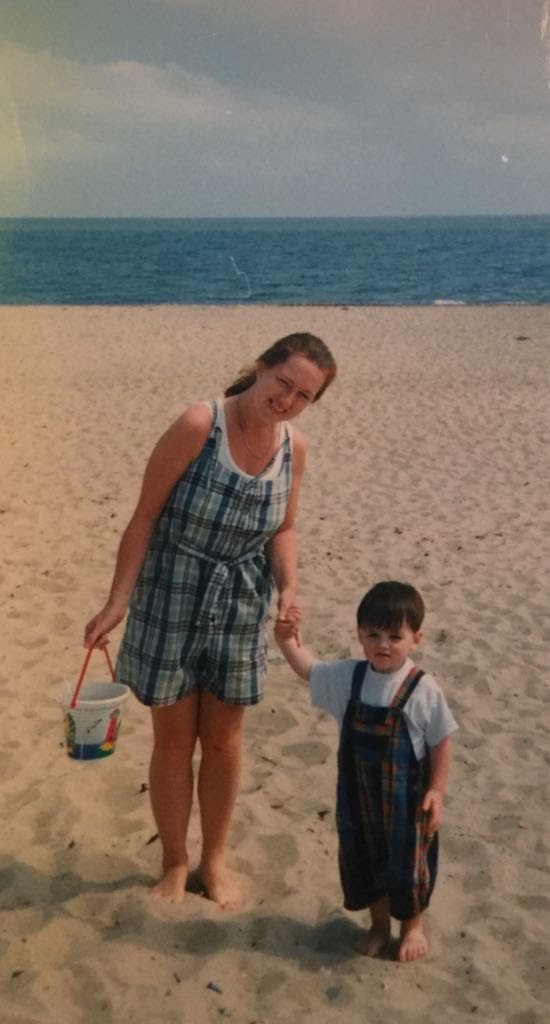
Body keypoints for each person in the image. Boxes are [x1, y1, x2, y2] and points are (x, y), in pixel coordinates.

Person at [84, 332, 337, 909]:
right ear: (261, 368)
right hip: (170, 590)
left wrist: (289, 588)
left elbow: (285, 529)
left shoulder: (295, 448)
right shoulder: (200, 424)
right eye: (282, 382)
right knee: (174, 742)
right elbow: (144, 517)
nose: (287, 400)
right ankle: (175, 863)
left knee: (223, 742)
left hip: (243, 600)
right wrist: (116, 600)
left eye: (302, 395)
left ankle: (214, 862)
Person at [275, 580, 458, 962]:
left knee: (408, 865)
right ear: (360, 634)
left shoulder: (422, 688)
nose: (383, 644)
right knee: (363, 858)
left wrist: (437, 791)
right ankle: (378, 925)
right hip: (358, 797)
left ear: (416, 638)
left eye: (395, 635)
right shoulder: (349, 677)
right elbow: (309, 669)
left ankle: (412, 927)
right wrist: (286, 639)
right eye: (373, 634)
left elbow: (442, 740)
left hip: (406, 800)